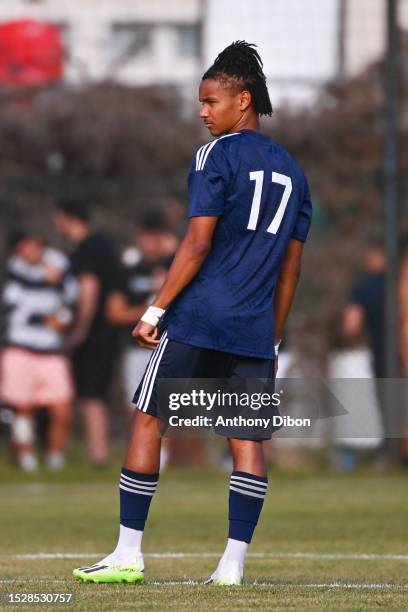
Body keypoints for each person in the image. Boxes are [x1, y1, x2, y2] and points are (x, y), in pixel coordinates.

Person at [73, 41, 312, 585]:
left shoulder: (215, 156)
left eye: (210, 100)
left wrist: (155, 310)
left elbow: (197, 243)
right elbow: (291, 269)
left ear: (243, 100)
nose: (202, 111)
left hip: (200, 315)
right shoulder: (296, 174)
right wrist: (272, 338)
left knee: (149, 420)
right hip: (253, 327)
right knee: (245, 442)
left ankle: (128, 554)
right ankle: (232, 567)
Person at [0, 230, 76, 471]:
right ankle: (26, 459)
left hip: (51, 350)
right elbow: (13, 312)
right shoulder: (12, 273)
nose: (31, 252)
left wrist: (62, 316)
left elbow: (71, 302)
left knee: (62, 406)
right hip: (20, 348)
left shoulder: (58, 267)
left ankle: (55, 458)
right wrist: (45, 319)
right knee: (23, 406)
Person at [54, 198, 120, 466]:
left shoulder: (88, 247)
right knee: (94, 394)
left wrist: (80, 329)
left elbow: (88, 288)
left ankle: (98, 455)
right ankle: (97, 453)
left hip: (96, 332)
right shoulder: (99, 244)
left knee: (91, 394)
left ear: (69, 217)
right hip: (104, 331)